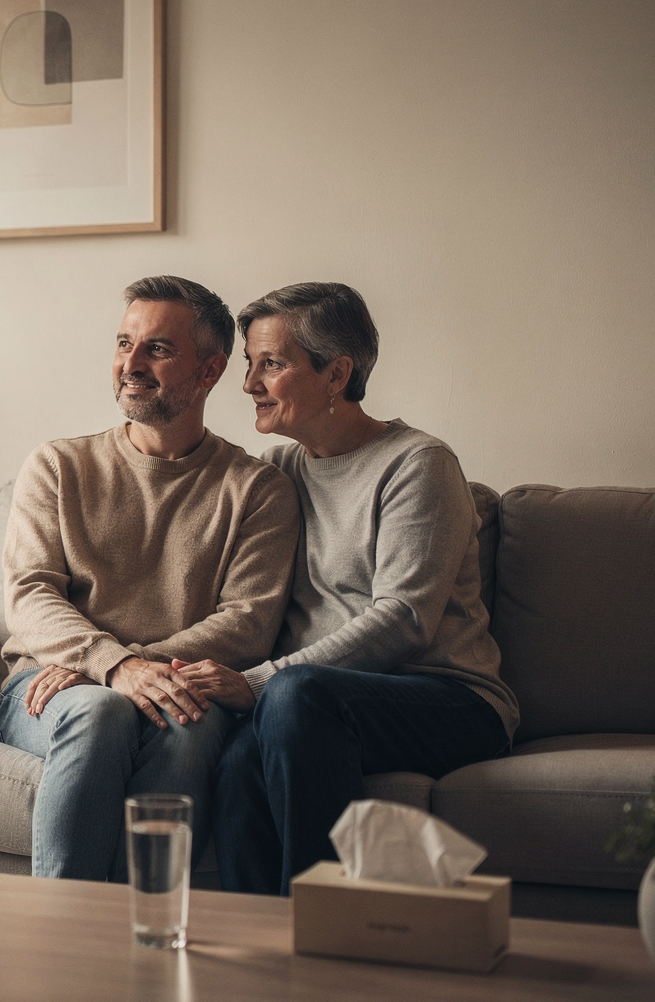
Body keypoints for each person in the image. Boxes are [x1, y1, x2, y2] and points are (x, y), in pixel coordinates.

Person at [195, 282, 519, 896]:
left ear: (336, 373)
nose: (248, 384)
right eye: (249, 364)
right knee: (237, 762)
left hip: (449, 698)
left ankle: (324, 937)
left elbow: (403, 620)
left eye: (273, 364)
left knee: (290, 698)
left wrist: (260, 683)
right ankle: (255, 957)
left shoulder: (417, 462)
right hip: (313, 702)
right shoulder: (278, 472)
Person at [0, 276, 300, 880]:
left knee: (187, 721)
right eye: (124, 343)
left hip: (170, 683)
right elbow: (28, 594)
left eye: (157, 349)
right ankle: (64, 935)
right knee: (102, 712)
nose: (130, 364)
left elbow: (248, 624)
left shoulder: (257, 489)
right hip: (48, 691)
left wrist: (125, 666)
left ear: (209, 372)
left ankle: (152, 936)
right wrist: (112, 670)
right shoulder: (57, 466)